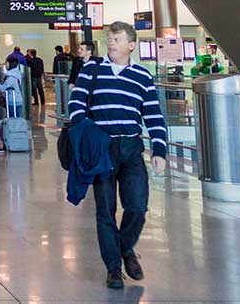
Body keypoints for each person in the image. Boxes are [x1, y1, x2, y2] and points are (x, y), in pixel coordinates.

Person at [67, 21, 168, 289]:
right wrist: (84, 129)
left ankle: (125, 248)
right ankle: (113, 268)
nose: (111, 42)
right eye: (110, 38)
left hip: (132, 148)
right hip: (103, 149)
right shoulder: (92, 69)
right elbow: (76, 103)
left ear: (131, 45)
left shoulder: (142, 76)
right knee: (105, 211)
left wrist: (160, 149)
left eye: (117, 39)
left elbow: (154, 115)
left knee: (137, 207)